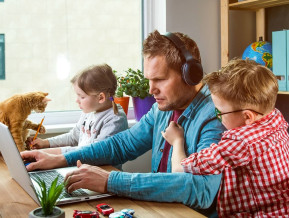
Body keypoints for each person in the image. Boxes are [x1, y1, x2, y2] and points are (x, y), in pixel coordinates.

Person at [21, 30, 225, 213]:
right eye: (149, 79)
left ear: (190, 74)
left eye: (160, 80)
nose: (151, 89)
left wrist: (111, 181)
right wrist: (61, 159)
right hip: (162, 210)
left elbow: (202, 189)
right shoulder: (161, 109)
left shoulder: (216, 115)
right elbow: (123, 144)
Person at [162, 58, 289, 217]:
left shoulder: (241, 142)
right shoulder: (275, 118)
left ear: (247, 117)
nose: (217, 117)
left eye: (219, 112)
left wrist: (177, 141)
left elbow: (179, 169)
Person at [28, 64, 128, 156]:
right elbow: (73, 137)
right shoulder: (89, 111)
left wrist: (49, 153)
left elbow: (94, 152)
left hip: (101, 172)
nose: (77, 100)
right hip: (81, 168)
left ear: (101, 97)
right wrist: (45, 143)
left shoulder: (115, 119)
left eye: (82, 97)